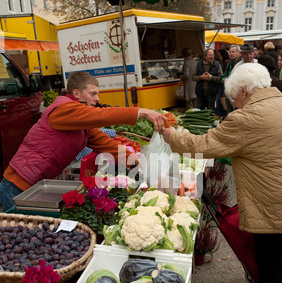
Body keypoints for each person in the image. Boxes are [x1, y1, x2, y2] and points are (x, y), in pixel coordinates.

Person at [162, 62, 282, 283]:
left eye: (235, 98)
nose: (234, 104)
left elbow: (202, 145)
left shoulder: (245, 118)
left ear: (245, 91)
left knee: (269, 258)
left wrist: (172, 136)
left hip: (270, 204)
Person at [0, 71, 167, 212]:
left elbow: (105, 143)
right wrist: (140, 112)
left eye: (98, 94)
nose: (97, 99)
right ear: (76, 93)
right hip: (17, 185)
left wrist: (136, 162)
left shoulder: (81, 123)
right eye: (92, 94)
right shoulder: (63, 110)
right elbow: (99, 115)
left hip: (35, 184)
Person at [192, 48, 223, 112]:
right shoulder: (199, 64)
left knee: (210, 112)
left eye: (213, 55)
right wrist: (201, 77)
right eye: (210, 55)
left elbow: (220, 78)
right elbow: (193, 77)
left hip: (212, 93)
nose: (212, 57)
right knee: (199, 111)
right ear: (205, 56)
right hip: (200, 92)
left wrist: (211, 77)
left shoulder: (217, 64)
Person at [222, 44, 242, 114]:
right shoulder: (228, 63)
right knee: (229, 112)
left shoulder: (241, 64)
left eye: (233, 52)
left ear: (239, 53)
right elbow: (224, 75)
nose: (231, 54)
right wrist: (224, 79)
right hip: (228, 92)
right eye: (230, 52)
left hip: (237, 93)